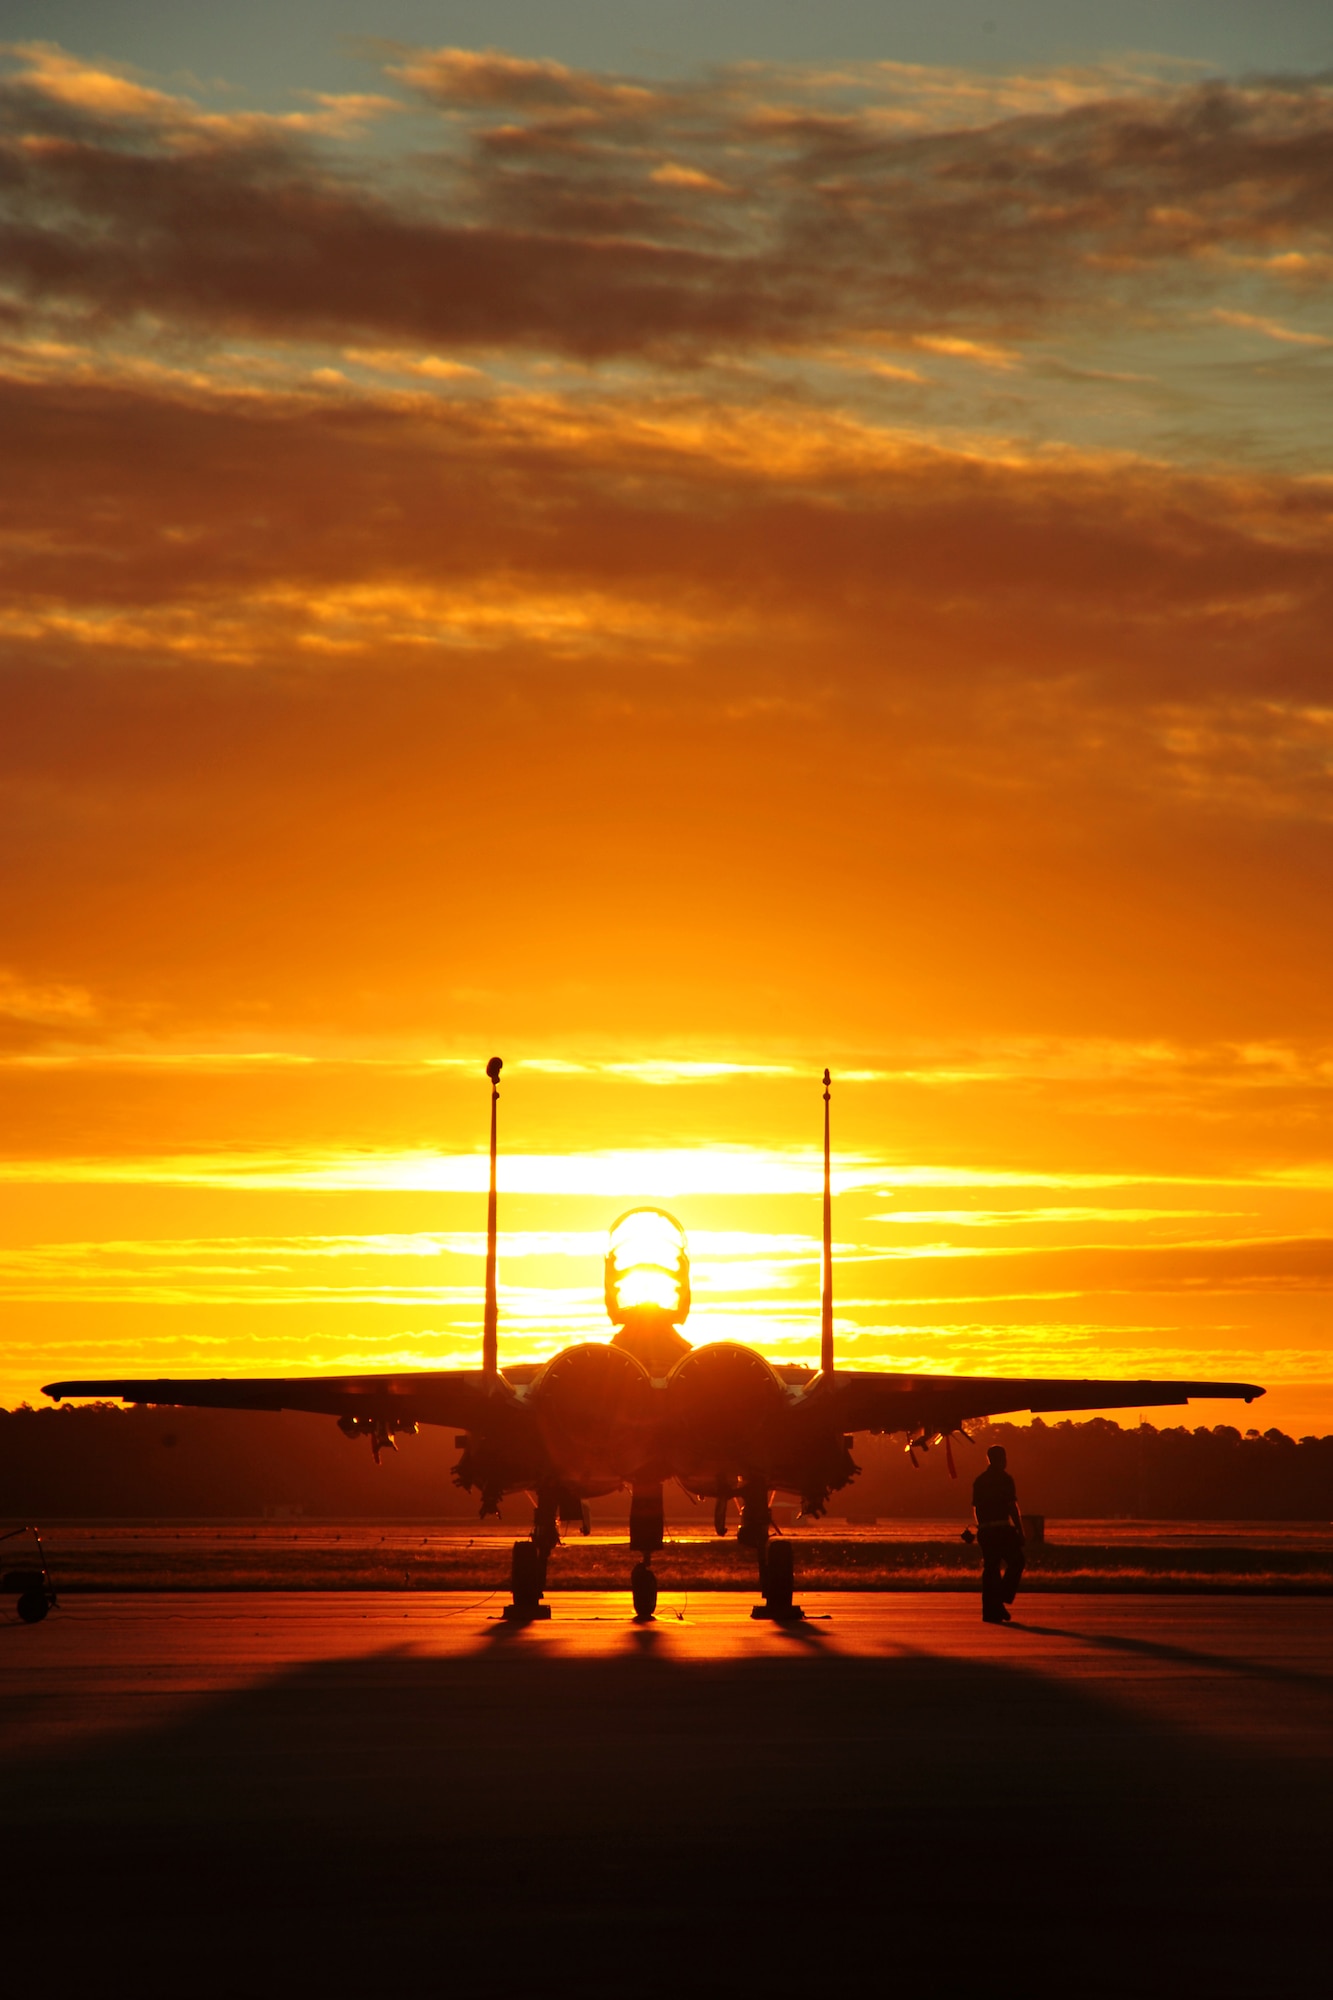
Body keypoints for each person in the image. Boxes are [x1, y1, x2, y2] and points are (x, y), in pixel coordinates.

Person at [972, 1443, 1025, 1624]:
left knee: (991, 1570)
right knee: (1017, 1561)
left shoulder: (980, 1481)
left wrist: (982, 1528)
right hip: (1002, 1528)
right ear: (1000, 1459)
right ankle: (1001, 1596)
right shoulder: (1005, 1479)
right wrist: (1019, 1529)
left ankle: (991, 1610)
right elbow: (1012, 1506)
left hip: (986, 1530)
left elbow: (976, 1508)